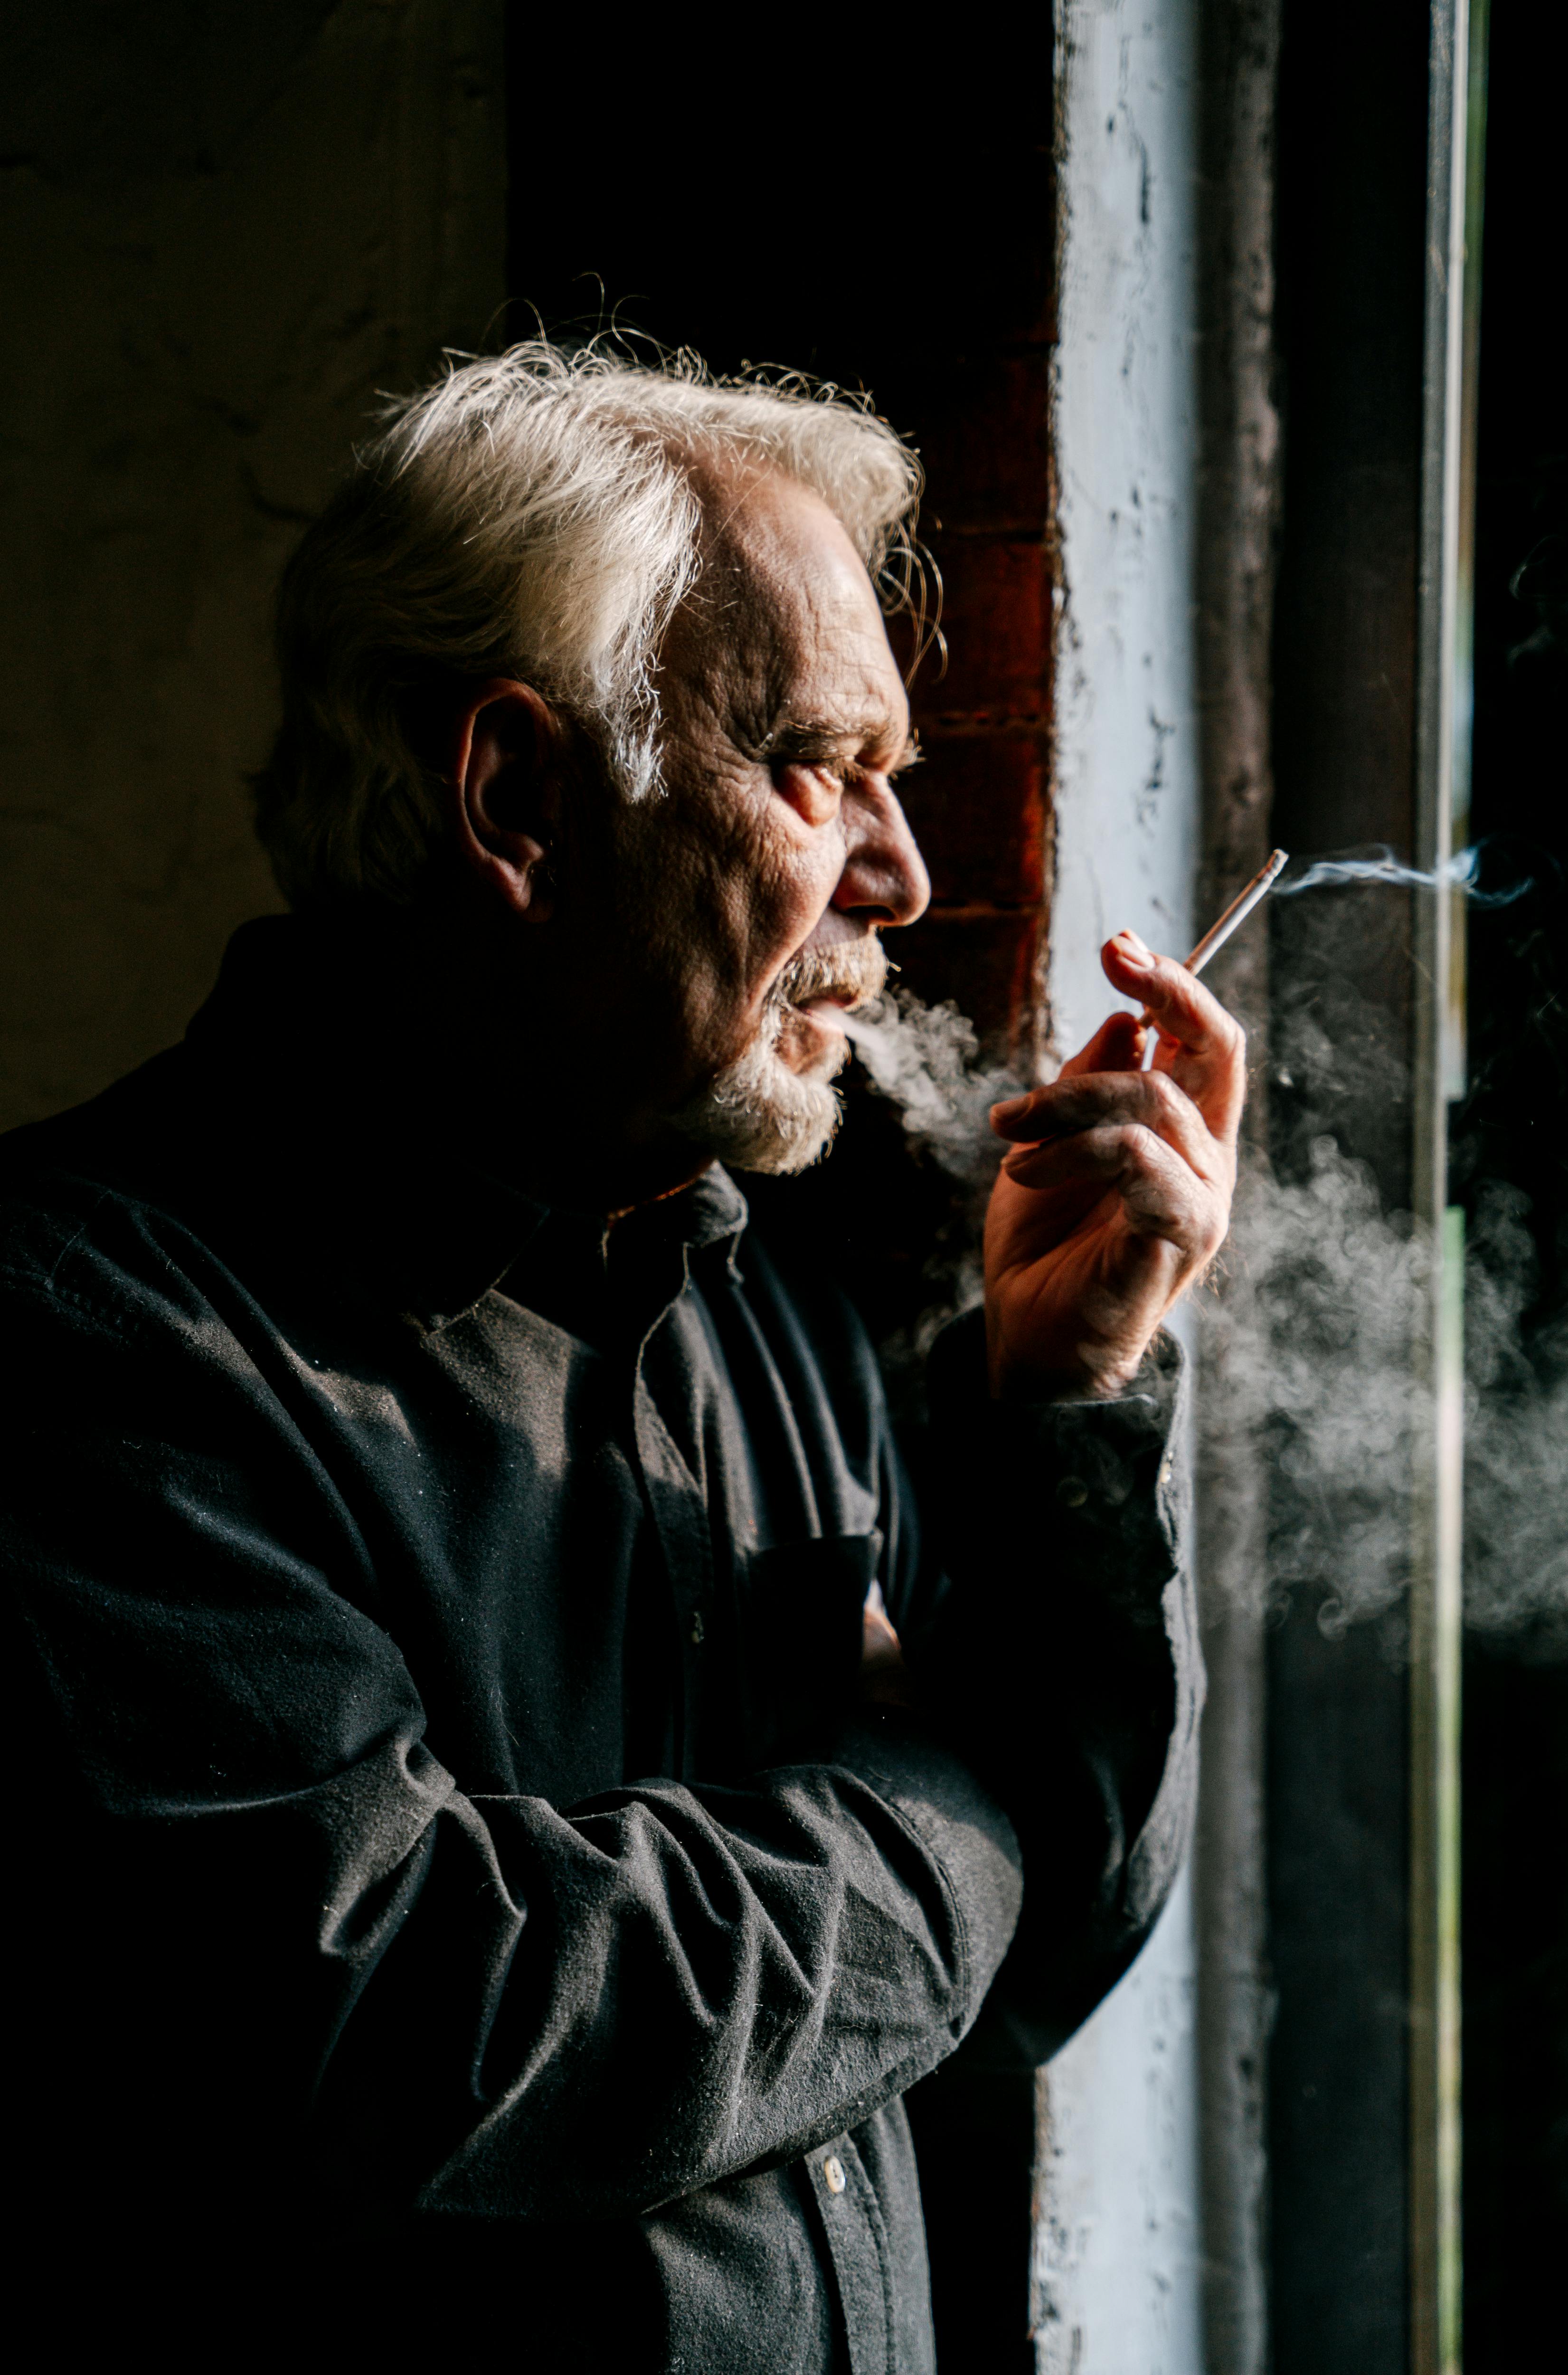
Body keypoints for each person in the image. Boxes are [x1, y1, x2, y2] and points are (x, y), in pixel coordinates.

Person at [1, 348, 1241, 2368]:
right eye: (818, 766)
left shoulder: (746, 1282)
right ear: (515, 798)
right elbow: (416, 2027)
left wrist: (1069, 1406)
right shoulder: (91, 1331)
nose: (900, 880)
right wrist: (950, 1818)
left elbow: (1034, 1971)